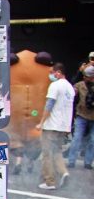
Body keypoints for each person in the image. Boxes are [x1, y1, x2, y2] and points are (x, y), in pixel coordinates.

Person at [37, 62, 76, 190]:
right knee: (57, 152)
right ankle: (64, 172)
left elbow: (49, 105)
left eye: (51, 72)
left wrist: (41, 122)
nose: (50, 75)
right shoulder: (70, 88)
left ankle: (50, 182)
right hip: (64, 126)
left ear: (58, 73)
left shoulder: (55, 85)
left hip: (52, 125)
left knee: (47, 153)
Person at [68, 66, 94, 170]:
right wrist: (79, 72)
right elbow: (71, 90)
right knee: (77, 138)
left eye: (87, 76)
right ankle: (71, 160)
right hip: (81, 115)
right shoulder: (80, 85)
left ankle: (88, 162)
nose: (85, 78)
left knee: (93, 140)